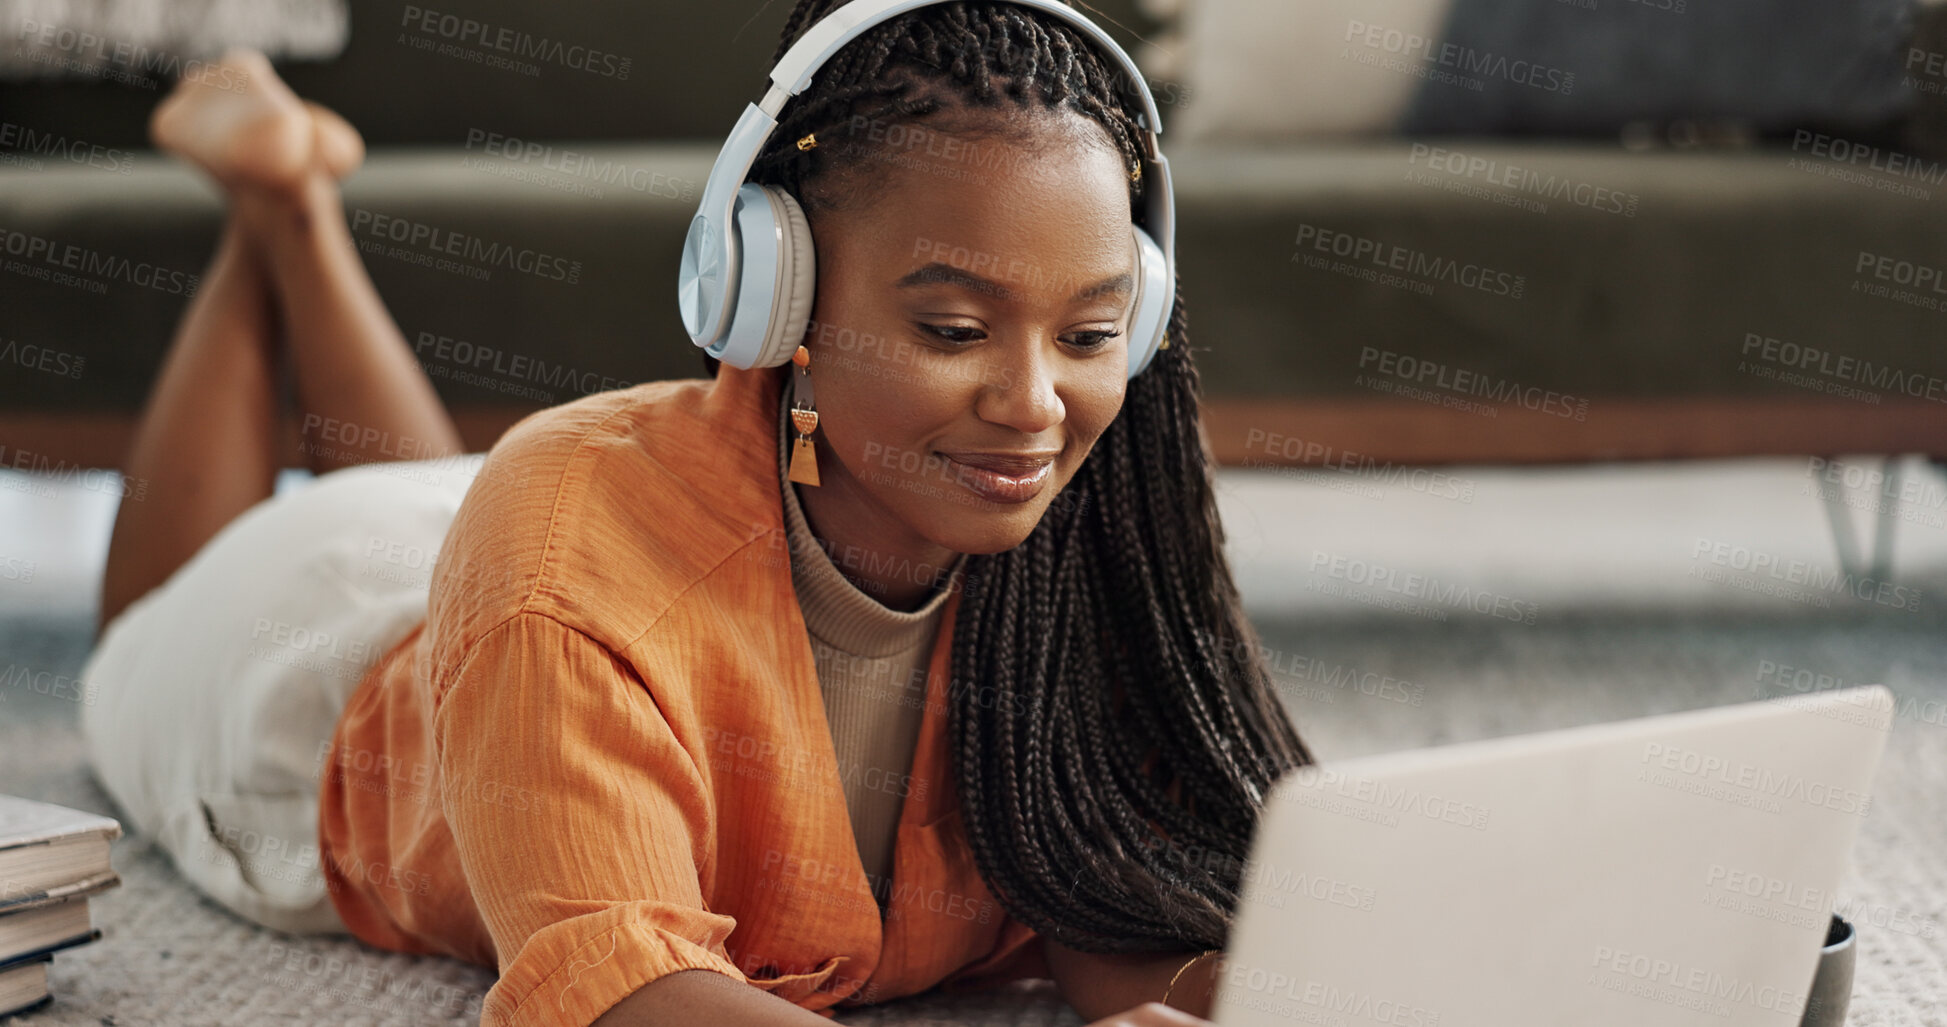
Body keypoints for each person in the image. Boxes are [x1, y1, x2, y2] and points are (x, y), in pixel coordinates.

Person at [76, 3, 1313, 1025]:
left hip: (505, 550)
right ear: (775, 295)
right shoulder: (564, 561)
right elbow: (627, 992)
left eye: (1094, 333)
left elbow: (1114, 899)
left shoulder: (1080, 534)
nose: (1036, 404)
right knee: (143, 632)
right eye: (953, 330)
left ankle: (297, 206)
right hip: (305, 688)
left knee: (451, 506)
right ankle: (274, 205)